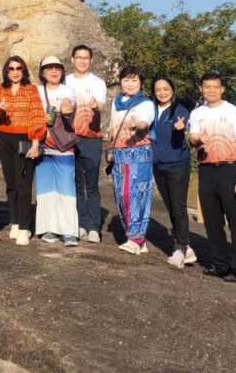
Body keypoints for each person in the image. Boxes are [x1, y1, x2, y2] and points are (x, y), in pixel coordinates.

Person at [188, 72, 236, 283]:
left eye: (215, 87)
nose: (211, 91)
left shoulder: (233, 111)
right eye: (207, 87)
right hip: (206, 169)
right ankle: (220, 264)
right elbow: (193, 138)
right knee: (212, 220)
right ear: (201, 89)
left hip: (230, 169)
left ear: (222, 88)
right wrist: (196, 139)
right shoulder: (197, 113)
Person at [0, 56, 45, 246]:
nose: (15, 72)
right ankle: (15, 221)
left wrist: (36, 143)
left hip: (25, 138)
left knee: (24, 183)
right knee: (11, 183)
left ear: (24, 71)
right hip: (5, 138)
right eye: (11, 68)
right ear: (6, 71)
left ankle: (24, 226)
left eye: (18, 68)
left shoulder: (31, 90)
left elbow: (37, 115)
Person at [108, 65, 156, 254]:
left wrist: (138, 125)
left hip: (139, 153)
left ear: (141, 83)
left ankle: (135, 238)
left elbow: (145, 123)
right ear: (120, 82)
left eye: (134, 80)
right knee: (121, 195)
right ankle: (138, 239)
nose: (130, 84)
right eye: (126, 80)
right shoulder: (116, 102)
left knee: (135, 195)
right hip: (120, 154)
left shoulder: (145, 103)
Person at [31, 55, 78, 248]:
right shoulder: (36, 91)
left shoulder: (68, 90)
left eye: (57, 68)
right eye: (49, 68)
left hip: (64, 145)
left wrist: (66, 109)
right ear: (42, 72)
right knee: (45, 189)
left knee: (66, 188)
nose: (53, 71)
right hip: (42, 144)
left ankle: (69, 231)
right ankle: (48, 228)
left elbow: (69, 105)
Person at [149, 75, 195, 268]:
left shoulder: (179, 110)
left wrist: (180, 128)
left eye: (165, 89)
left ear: (172, 90)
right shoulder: (150, 109)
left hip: (177, 165)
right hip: (158, 165)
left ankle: (180, 248)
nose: (162, 92)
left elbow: (180, 124)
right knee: (170, 207)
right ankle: (187, 247)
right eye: (158, 89)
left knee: (178, 208)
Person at [66, 44, 107, 244]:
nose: (82, 60)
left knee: (91, 185)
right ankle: (79, 223)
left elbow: (100, 104)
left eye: (86, 57)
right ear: (72, 60)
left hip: (91, 137)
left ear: (91, 60)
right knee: (75, 183)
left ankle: (93, 227)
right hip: (69, 138)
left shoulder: (97, 83)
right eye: (78, 57)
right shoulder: (65, 81)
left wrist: (95, 107)